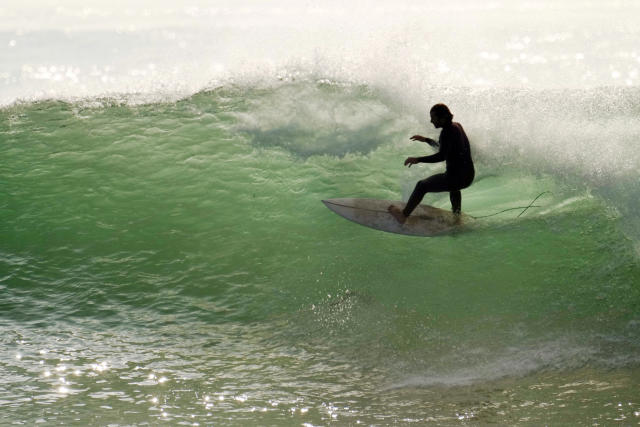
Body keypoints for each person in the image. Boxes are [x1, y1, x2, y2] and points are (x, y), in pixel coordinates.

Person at [388, 103, 475, 223]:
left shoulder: (446, 133)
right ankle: (457, 217)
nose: (431, 121)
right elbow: (444, 148)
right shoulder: (457, 126)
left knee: (422, 186)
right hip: (468, 176)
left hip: (456, 178)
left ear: (442, 118)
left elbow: (441, 156)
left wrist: (417, 159)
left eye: (433, 118)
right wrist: (426, 140)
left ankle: (403, 215)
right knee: (454, 188)